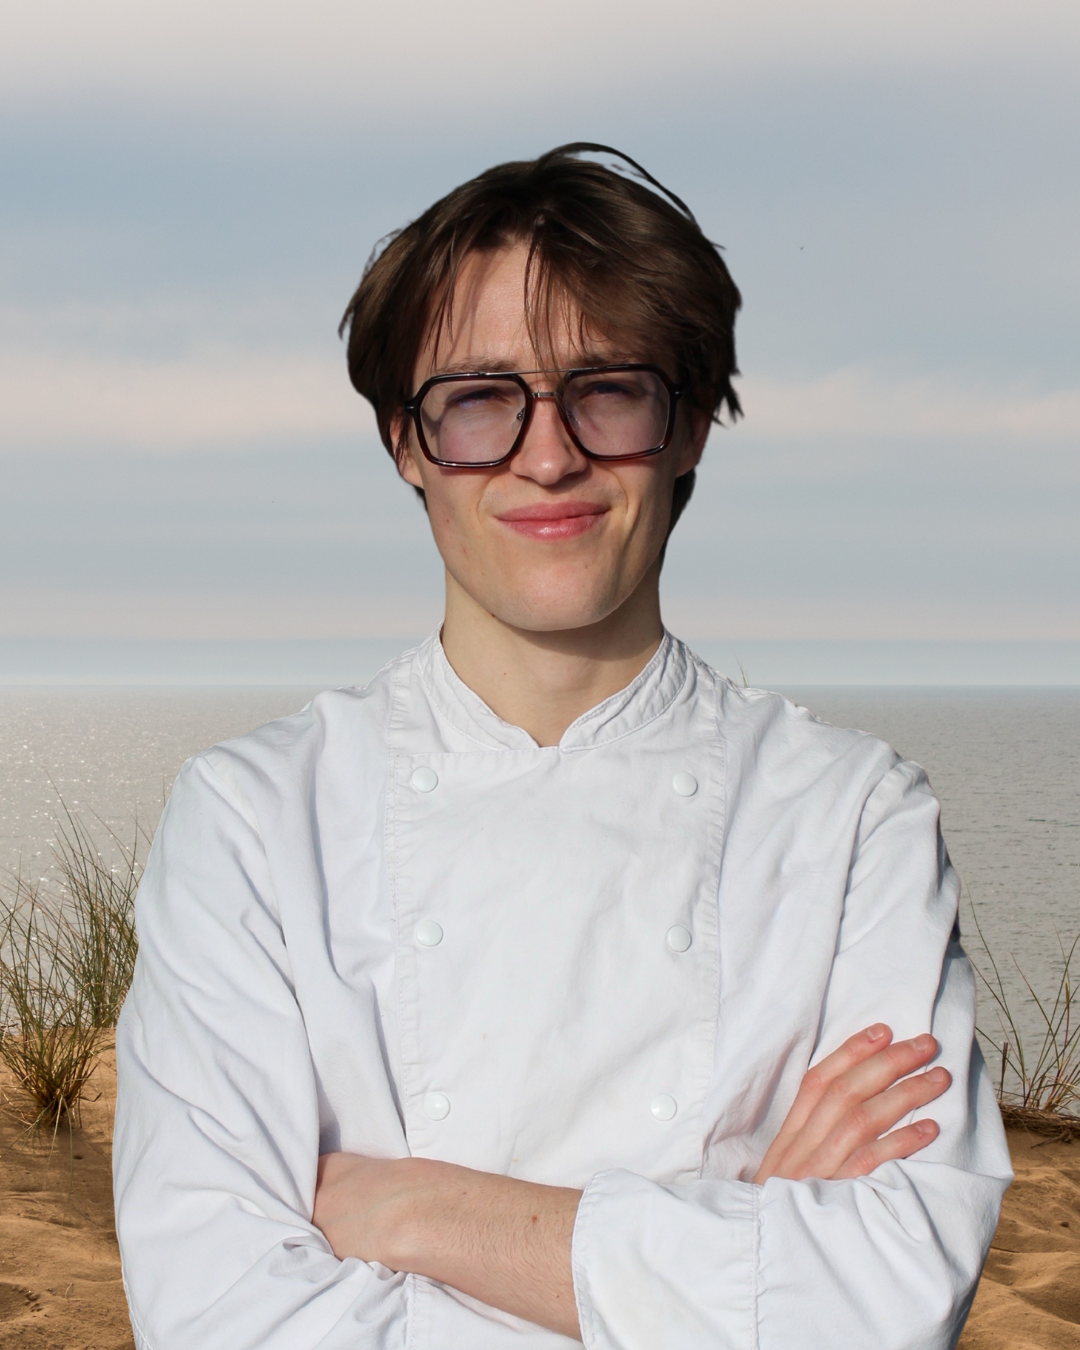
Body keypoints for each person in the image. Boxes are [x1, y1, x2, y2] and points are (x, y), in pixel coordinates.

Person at [112, 144, 1010, 1350]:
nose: (547, 456)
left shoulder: (853, 820)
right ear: (404, 442)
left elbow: (888, 1300)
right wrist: (736, 1257)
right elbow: (216, 1314)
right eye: (480, 399)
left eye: (609, 390)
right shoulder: (250, 823)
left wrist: (423, 1212)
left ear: (689, 426)